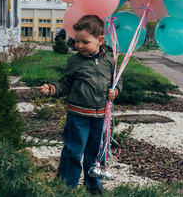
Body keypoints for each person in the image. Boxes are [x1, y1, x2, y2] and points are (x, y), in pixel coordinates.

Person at [38, 15, 122, 195]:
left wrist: (116, 92)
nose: (79, 45)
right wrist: (52, 89)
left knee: (94, 152)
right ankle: (67, 186)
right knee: (74, 151)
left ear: (100, 40)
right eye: (77, 41)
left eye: (85, 41)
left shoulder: (109, 61)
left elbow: (117, 82)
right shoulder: (74, 61)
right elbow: (64, 84)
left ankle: (93, 184)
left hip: (100, 117)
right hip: (78, 116)